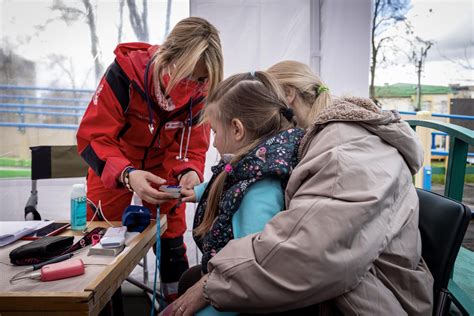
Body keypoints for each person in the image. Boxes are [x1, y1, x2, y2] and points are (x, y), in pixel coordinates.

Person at [169, 60, 434, 315]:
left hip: (368, 300)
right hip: (343, 285)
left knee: (198, 284)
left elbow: (311, 255)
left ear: (288, 95)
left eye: (266, 98)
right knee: (191, 278)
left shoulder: (347, 149)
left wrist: (211, 285)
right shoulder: (321, 143)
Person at [76, 17, 223, 300]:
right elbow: (93, 136)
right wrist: (127, 174)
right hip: (114, 165)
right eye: (188, 75)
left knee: (172, 243)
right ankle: (102, 303)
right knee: (100, 244)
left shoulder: (202, 94)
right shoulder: (124, 75)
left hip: (162, 170)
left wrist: (189, 172)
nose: (194, 86)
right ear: (168, 57)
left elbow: (193, 147)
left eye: (202, 80)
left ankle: (175, 305)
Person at [163, 71, 304, 316]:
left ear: (237, 129)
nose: (214, 142)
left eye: (215, 131)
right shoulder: (256, 164)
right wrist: (196, 191)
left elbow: (246, 275)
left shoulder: (260, 192)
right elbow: (229, 182)